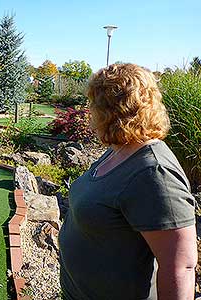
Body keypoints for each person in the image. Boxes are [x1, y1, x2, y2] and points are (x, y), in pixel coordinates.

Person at [59, 63, 197, 300]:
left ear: (110, 110)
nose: (90, 110)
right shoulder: (120, 149)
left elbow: (180, 267)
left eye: (95, 103)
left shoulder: (155, 172)